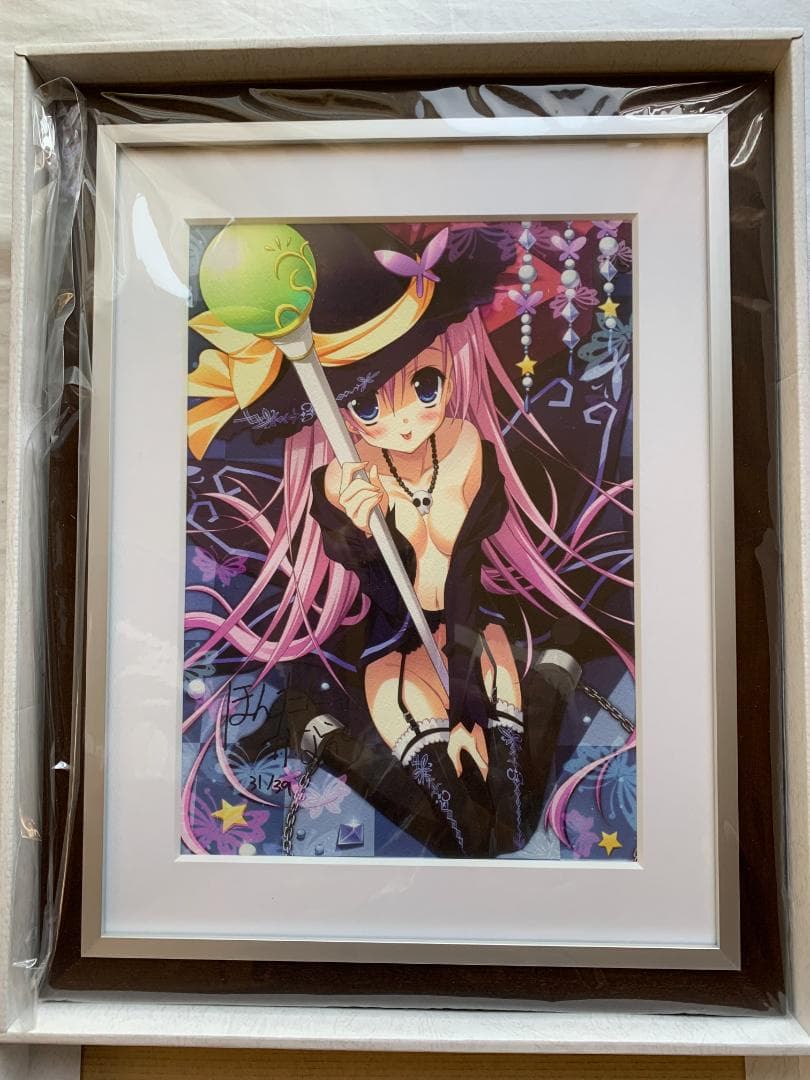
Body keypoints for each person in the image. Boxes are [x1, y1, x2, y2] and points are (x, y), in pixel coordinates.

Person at [183, 221, 635, 858]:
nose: (400, 422)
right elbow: (386, 597)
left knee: (512, 823)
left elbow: (465, 578)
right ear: (339, 412)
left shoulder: (467, 448)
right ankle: (323, 735)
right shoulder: (337, 481)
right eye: (367, 407)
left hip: (473, 633)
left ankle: (554, 670)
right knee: (463, 840)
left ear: (449, 361)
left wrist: (467, 709)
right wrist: (360, 529)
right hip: (396, 649)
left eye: (425, 387)